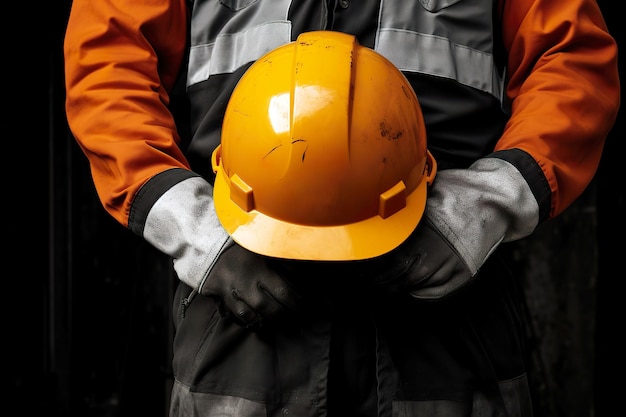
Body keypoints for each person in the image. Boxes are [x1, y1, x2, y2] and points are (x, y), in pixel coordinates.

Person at [63, 0, 620, 416]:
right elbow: (110, 63)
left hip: (445, 309)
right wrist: (197, 230)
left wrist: (486, 205)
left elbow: (567, 57)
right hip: (242, 307)